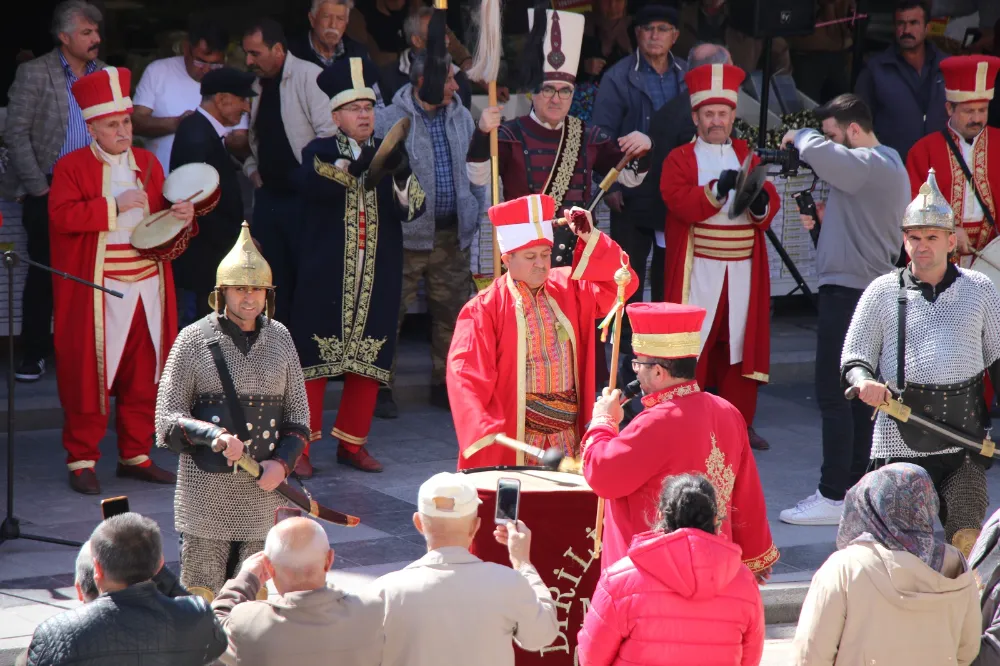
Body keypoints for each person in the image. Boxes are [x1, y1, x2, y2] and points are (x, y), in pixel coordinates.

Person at [841, 170, 1000, 557]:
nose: (923, 246)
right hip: (900, 433)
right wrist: (864, 381)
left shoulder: (980, 290)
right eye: (915, 238)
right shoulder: (881, 292)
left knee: (962, 544)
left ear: (951, 241)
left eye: (932, 238)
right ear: (904, 241)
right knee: (901, 550)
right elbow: (854, 359)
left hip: (963, 437)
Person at [47, 66, 190, 495]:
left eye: (126, 121)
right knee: (89, 376)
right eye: (113, 124)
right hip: (99, 291)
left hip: (147, 286)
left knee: (144, 373)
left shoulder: (148, 164)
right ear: (92, 127)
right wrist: (112, 204)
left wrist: (181, 217)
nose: (123, 130)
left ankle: (136, 455)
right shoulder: (71, 167)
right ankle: (82, 459)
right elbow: (60, 216)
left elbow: (163, 228)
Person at [155, 223, 310, 598]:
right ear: (221, 293)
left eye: (256, 289)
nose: (249, 298)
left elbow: (298, 418)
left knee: (255, 596)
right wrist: (216, 436)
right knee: (203, 594)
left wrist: (282, 465)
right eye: (240, 289)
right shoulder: (192, 340)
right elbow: (167, 420)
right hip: (206, 492)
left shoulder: (281, 338)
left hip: (262, 492)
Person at [777, 94, 911, 526]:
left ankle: (834, 494)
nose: (828, 143)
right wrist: (826, 223)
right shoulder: (883, 164)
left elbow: (819, 151)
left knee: (835, 394)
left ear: (853, 131)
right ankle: (853, 488)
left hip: (852, 295)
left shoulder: (870, 163)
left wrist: (800, 135)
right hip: (860, 289)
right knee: (857, 397)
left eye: (834, 134)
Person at [289, 56, 423, 475]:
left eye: (369, 108)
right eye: (355, 109)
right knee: (313, 362)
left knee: (369, 362)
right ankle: (301, 450)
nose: (365, 115)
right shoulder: (319, 152)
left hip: (377, 273)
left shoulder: (391, 153)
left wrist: (399, 174)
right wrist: (373, 164)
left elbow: (414, 207)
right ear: (336, 116)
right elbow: (331, 182)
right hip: (326, 272)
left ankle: (352, 444)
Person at [582, 302, 777, 574]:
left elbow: (601, 474)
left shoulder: (653, 423)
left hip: (656, 570)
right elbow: (746, 492)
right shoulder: (727, 411)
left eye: (638, 364)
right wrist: (755, 556)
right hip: (716, 564)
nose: (635, 371)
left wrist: (604, 421)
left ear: (659, 371)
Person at [447, 195, 637, 469]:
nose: (541, 264)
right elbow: (464, 373)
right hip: (519, 440)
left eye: (545, 255)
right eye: (530, 257)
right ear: (506, 258)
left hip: (568, 440)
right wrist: (480, 422)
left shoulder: (568, 287)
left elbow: (623, 283)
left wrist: (591, 237)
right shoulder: (484, 309)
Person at [470, 7, 651, 269]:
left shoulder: (588, 136)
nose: (557, 99)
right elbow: (477, 177)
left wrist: (645, 149)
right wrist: (483, 133)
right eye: (548, 90)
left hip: (576, 262)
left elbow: (629, 177)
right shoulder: (509, 135)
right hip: (525, 258)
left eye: (565, 91)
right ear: (533, 92)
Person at [660, 63, 780, 451]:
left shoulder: (748, 154)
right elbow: (679, 202)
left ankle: (739, 424)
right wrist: (716, 189)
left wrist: (760, 200)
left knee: (738, 346)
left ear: (733, 116)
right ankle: (687, 420)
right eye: (708, 113)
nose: (716, 121)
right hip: (701, 266)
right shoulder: (679, 158)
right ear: (696, 116)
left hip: (742, 267)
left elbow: (769, 205)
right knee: (697, 343)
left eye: (723, 113)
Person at [374, 51, 484, 416]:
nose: (455, 85)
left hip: (452, 236)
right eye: (449, 79)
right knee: (390, 314)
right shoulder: (389, 118)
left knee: (452, 316)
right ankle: (379, 387)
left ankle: (444, 384)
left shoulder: (462, 115)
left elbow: (476, 165)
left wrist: (474, 207)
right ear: (423, 82)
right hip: (403, 240)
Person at [1, 0, 104, 383]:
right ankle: (35, 354)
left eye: (96, 32)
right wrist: (39, 188)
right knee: (45, 271)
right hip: (49, 188)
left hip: (97, 192)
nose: (96, 39)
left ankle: (88, 354)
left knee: (93, 273)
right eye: (87, 32)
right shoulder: (34, 72)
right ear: (64, 37)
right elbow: (16, 133)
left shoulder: (107, 73)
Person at [791, 463, 981, 666]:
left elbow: (810, 655)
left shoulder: (845, 567)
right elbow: (967, 651)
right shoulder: (956, 565)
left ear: (866, 506)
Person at [370, 472, 559, 666]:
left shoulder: (384, 591)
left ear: (419, 523)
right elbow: (542, 635)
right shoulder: (508, 583)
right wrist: (522, 563)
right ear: (475, 527)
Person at [577, 474, 765, 666]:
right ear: (716, 519)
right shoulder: (744, 580)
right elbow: (750, 659)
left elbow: (592, 657)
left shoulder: (618, 580)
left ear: (660, 515)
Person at [24, 513, 227, 666]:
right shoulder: (196, 616)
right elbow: (217, 639)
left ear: (98, 569)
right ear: (160, 565)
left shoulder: (55, 633)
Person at [242, 17, 336, 322]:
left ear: (278, 50)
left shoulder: (310, 76)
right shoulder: (256, 84)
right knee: (273, 281)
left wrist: (310, 179)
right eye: (247, 53)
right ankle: (277, 359)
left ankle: (310, 363)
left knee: (308, 280)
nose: (248, 60)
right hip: (269, 199)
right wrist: (252, 169)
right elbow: (255, 140)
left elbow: (329, 136)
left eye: (255, 53)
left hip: (305, 198)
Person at [211, 516, 384, 666]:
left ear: (269, 568)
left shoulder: (248, 622)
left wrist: (246, 579)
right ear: (329, 560)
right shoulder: (371, 611)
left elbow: (211, 632)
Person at [170, 67, 255, 325]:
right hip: (205, 256)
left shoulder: (201, 130)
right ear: (222, 99)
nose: (246, 108)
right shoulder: (197, 135)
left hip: (212, 254)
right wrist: (235, 245)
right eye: (242, 99)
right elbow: (198, 203)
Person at [906, 55, 1000, 268]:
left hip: (993, 257)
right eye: (969, 111)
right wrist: (945, 231)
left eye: (982, 110)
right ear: (949, 109)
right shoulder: (923, 151)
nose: (976, 119)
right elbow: (912, 208)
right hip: (941, 258)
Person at [133, 17, 249, 174]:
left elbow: (239, 136)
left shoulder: (230, 80)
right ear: (186, 48)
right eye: (200, 62)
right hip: (159, 179)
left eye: (215, 64)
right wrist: (179, 124)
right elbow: (135, 122)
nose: (207, 70)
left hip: (211, 185)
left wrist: (216, 133)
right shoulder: (158, 71)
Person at [854, 0, 948, 163]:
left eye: (913, 23)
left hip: (940, 167)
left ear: (927, 28)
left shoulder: (947, 67)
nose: (906, 30)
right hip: (893, 168)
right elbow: (859, 123)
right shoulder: (875, 70)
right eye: (901, 24)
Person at [378, 7, 472, 106]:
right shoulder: (388, 78)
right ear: (417, 41)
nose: (447, 40)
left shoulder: (459, 78)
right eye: (437, 34)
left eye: (446, 33)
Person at [673, 0, 790, 76]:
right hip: (694, 95)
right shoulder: (681, 16)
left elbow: (780, 56)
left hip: (742, 99)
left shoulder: (751, 15)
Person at [288, 0, 371, 69]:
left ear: (346, 22)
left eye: (340, 18)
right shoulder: (291, 53)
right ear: (312, 19)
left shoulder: (358, 53)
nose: (333, 25)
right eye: (326, 17)